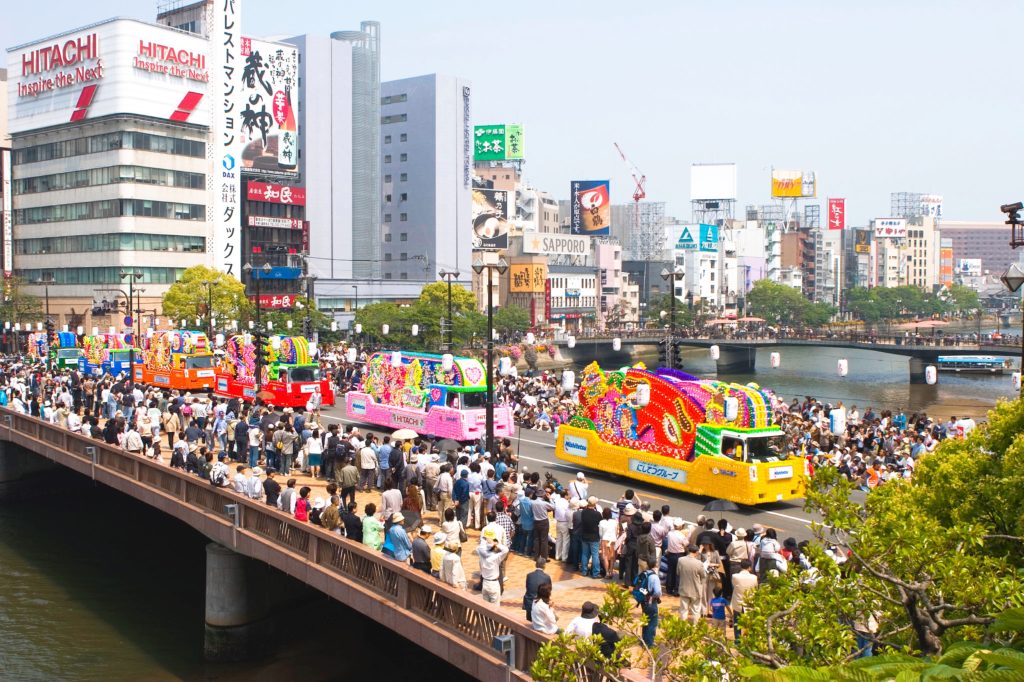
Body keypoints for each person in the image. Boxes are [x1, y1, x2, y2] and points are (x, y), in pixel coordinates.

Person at [633, 558, 662, 647]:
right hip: (651, 601)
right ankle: (649, 643)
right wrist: (654, 596)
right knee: (652, 622)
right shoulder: (654, 576)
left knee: (645, 620)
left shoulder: (644, 573)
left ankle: (644, 640)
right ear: (655, 565)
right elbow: (657, 592)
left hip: (643, 601)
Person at [476, 527, 508, 604]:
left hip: (485, 583)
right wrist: (495, 543)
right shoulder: (495, 557)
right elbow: (505, 550)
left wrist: (487, 541)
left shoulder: (481, 553)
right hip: (493, 584)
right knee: (495, 609)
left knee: (485, 608)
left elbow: (479, 547)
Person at [677, 545, 706, 625]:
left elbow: (678, 572)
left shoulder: (680, 560)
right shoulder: (699, 563)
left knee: (683, 610)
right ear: (696, 552)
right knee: (696, 611)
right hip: (696, 590)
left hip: (684, 589)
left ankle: (683, 628)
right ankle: (694, 628)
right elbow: (703, 575)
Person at [730, 559, 758, 643]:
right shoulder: (754, 577)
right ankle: (750, 640)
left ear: (740, 566)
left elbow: (734, 585)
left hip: (738, 602)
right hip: (749, 603)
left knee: (737, 622)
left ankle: (738, 641)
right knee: (750, 623)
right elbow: (756, 588)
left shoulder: (735, 576)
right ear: (749, 567)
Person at [578, 496, 602, 578]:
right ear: (595, 504)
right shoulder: (597, 514)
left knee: (585, 554)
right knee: (595, 555)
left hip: (585, 536)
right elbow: (600, 523)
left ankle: (584, 571)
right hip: (594, 537)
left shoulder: (583, 512)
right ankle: (595, 573)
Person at [523, 557, 552, 622]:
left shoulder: (529, 575)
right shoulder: (547, 577)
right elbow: (549, 591)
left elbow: (528, 588)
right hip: (540, 605)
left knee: (529, 622)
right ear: (544, 566)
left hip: (529, 603)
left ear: (536, 565)